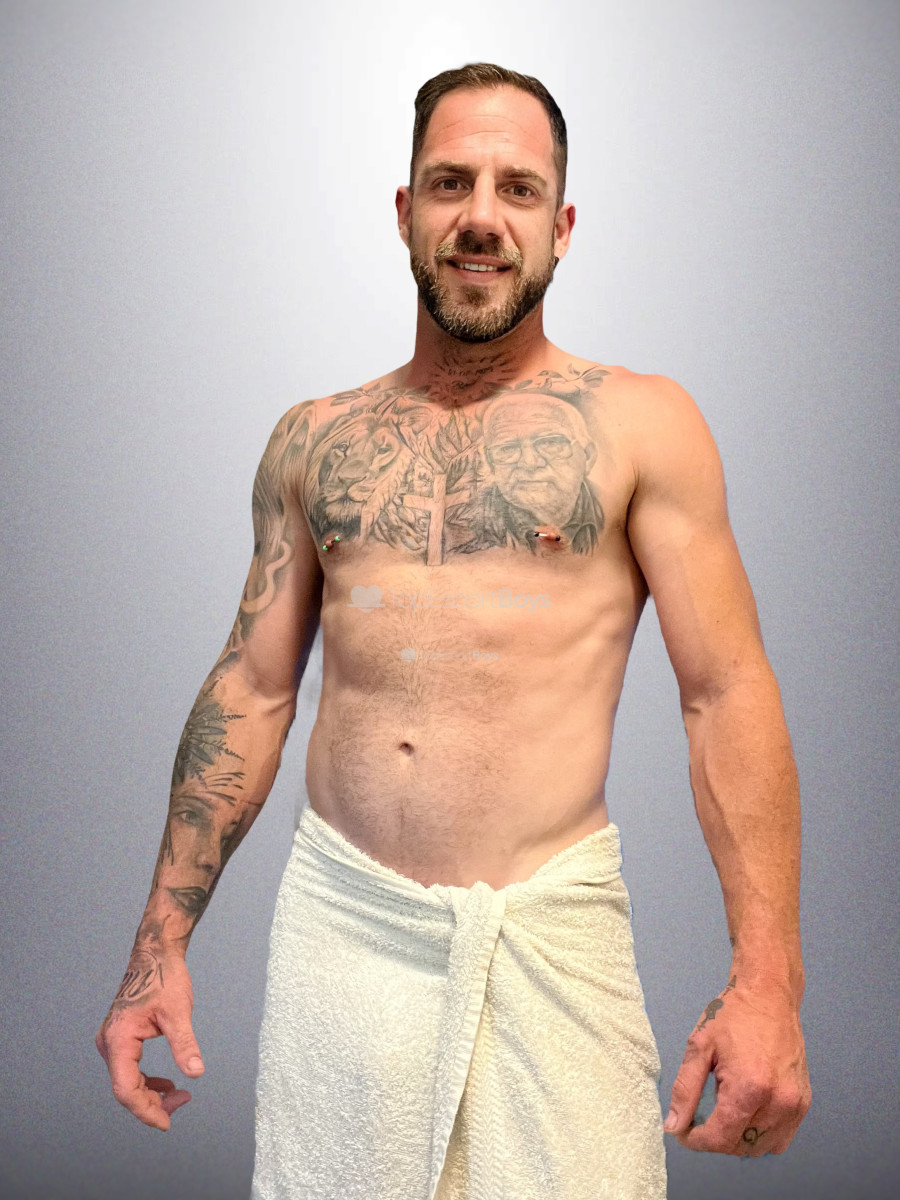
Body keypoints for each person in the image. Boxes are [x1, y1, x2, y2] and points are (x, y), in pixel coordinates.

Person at [97, 62, 811, 1199]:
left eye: (518, 189)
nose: (482, 216)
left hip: (548, 935)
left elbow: (726, 691)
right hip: (345, 932)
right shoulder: (313, 440)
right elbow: (252, 689)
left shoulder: (642, 425)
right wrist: (158, 947)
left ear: (561, 227)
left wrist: (768, 983)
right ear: (406, 211)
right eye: (451, 182)